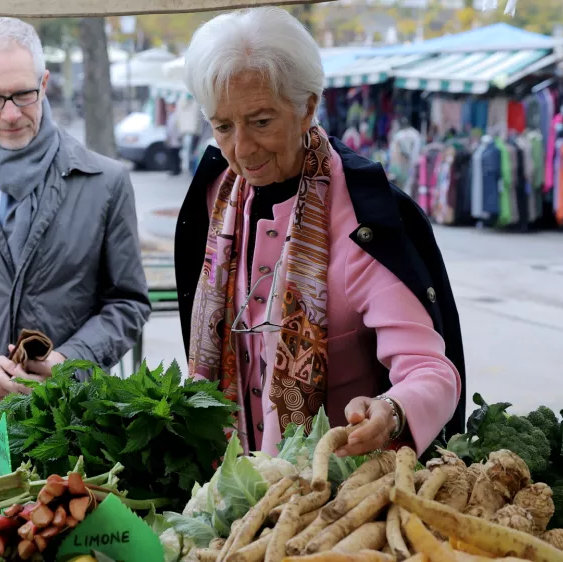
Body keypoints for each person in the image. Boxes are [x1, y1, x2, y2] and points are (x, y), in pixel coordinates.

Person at [174, 7, 466, 459]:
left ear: (307, 107)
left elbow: (430, 370)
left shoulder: (363, 221)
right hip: (229, 478)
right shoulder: (215, 199)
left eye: (261, 121)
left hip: (336, 486)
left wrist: (393, 409)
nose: (242, 148)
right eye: (223, 126)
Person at [0, 17, 150, 400]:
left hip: (73, 415)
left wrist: (69, 363)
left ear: (44, 83)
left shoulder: (106, 182)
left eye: (24, 94)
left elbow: (127, 302)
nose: (11, 115)